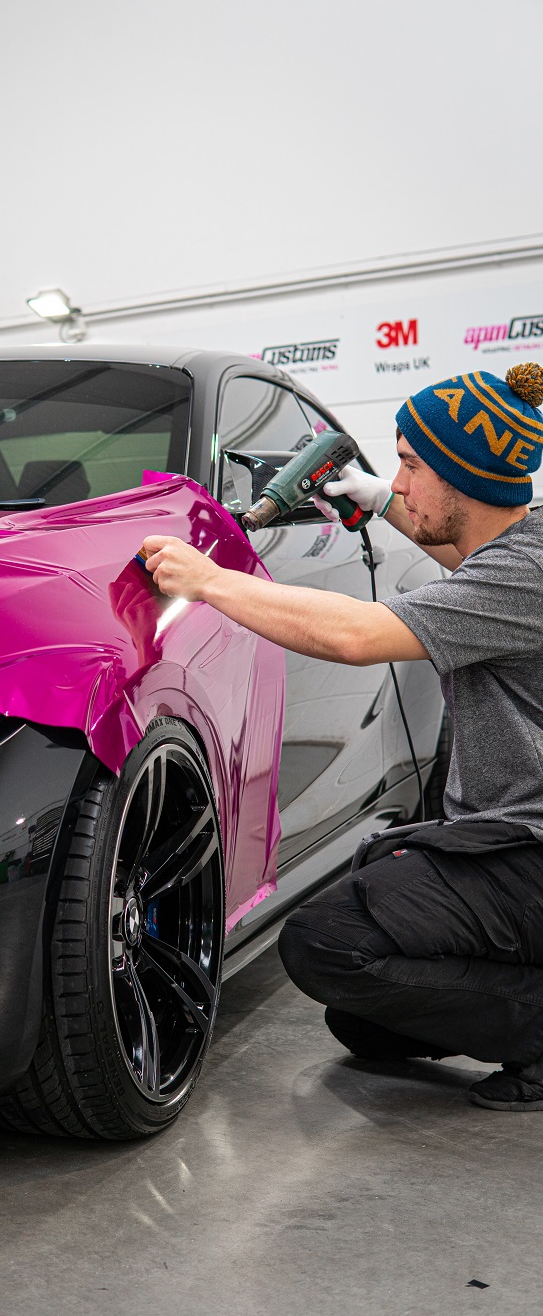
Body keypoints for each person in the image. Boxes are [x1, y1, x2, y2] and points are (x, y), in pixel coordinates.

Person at [141, 362, 543, 1111]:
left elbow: (360, 637)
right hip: (505, 843)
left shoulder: (529, 575)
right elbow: (471, 561)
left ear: (467, 479)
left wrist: (210, 581)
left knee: (324, 944)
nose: (402, 478)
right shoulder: (521, 541)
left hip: (528, 854)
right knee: (364, 1022)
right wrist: (382, 501)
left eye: (413, 465)